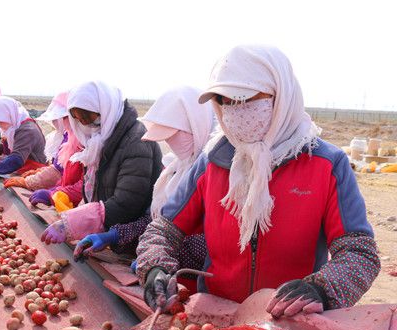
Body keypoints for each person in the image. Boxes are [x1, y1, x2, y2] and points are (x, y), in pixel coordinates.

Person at [136, 45, 380, 315]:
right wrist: (155, 267)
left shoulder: (327, 165)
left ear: (280, 96)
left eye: (242, 100)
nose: (232, 110)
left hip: (289, 322)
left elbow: (359, 253)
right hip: (216, 316)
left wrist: (321, 289)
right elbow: (163, 230)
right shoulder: (212, 162)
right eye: (223, 101)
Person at [73, 87, 212, 273]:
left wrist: (157, 258)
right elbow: (156, 221)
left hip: (196, 285)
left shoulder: (214, 173)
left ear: (198, 125)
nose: (171, 143)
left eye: (175, 135)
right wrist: (114, 235)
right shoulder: (174, 170)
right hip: (165, 279)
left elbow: (214, 243)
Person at [39, 81, 162, 245]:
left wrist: (75, 222)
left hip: (129, 236)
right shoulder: (100, 138)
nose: (86, 125)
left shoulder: (136, 141)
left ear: (106, 109)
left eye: (89, 118)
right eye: (79, 120)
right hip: (109, 231)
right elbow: (93, 186)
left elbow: (128, 201)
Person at [4, 91, 84, 205]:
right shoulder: (69, 136)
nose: (55, 122)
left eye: (61, 118)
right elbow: (60, 168)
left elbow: (82, 184)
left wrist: (30, 183)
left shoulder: (83, 142)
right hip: (66, 194)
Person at [0, 96, 47, 187]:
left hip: (33, 171)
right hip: (23, 166)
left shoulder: (27, 130)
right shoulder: (15, 125)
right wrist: (2, 159)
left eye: (1, 122)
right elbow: (17, 149)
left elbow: (17, 159)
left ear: (10, 115)